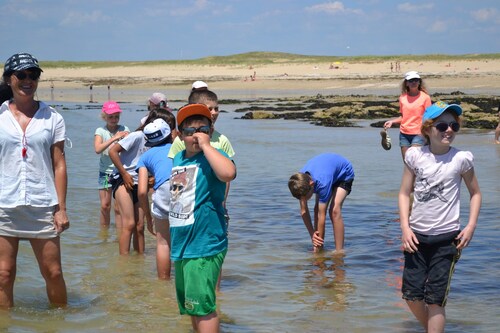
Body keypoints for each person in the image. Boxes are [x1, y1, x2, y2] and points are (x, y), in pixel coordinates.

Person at [399, 101, 482, 332]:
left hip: (447, 240)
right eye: (442, 125)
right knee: (411, 296)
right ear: (427, 129)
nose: (449, 130)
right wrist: (405, 228)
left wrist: (471, 225)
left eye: (454, 126)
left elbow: (475, 194)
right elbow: (404, 193)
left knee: (435, 299)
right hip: (415, 238)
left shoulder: (461, 159)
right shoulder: (415, 156)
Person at [0, 53, 69, 308]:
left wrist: (61, 208)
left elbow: (59, 163)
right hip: (4, 205)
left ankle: (61, 322)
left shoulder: (53, 118)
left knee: (54, 273)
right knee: (3, 275)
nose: (28, 80)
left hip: (43, 205)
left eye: (33, 75)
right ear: (9, 79)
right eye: (22, 75)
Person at [169, 104, 236, 332]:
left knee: (204, 307)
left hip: (204, 243)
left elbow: (228, 174)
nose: (196, 135)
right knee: (191, 305)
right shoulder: (178, 157)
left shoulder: (214, 156)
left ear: (211, 130)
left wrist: (207, 146)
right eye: (189, 131)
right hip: (183, 244)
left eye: (202, 129)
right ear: (179, 135)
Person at [109, 112, 159, 255]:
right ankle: (124, 264)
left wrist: (153, 177)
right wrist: (124, 174)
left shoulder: (159, 141)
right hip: (123, 180)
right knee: (129, 223)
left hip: (140, 183)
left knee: (139, 226)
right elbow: (113, 152)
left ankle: (139, 261)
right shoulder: (137, 136)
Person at [288, 153, 355, 252]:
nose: (304, 201)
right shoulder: (299, 181)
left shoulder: (322, 183)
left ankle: (339, 251)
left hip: (343, 174)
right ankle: (318, 247)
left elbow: (321, 216)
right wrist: (312, 235)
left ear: (312, 184)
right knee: (316, 209)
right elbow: (303, 211)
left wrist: (317, 250)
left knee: (334, 211)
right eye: (300, 199)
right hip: (326, 173)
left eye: (305, 198)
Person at [137, 115, 175, 279]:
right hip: (183, 187)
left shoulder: (145, 157)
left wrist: (147, 217)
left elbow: (142, 191)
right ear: (170, 134)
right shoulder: (179, 149)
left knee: (163, 242)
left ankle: (163, 283)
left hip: (162, 191)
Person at [94, 101, 129, 229]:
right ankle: (104, 233)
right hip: (105, 173)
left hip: (120, 172)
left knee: (118, 207)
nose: (114, 120)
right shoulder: (100, 131)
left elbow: (129, 148)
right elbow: (97, 149)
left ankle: (120, 234)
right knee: (105, 205)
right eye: (110, 117)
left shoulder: (124, 129)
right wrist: (114, 138)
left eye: (116, 117)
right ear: (104, 117)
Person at [383, 71, 432, 160]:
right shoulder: (402, 98)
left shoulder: (425, 98)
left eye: (416, 80)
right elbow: (403, 117)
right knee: (407, 162)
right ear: (406, 83)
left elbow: (429, 117)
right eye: (411, 80)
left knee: (415, 160)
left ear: (419, 82)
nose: (414, 82)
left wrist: (428, 133)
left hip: (419, 133)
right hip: (404, 134)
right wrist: (392, 122)